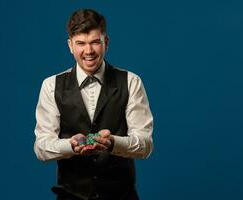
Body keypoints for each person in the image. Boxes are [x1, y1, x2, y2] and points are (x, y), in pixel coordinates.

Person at [34, 8, 154, 200]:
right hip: (71, 195)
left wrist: (113, 143)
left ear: (106, 42)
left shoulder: (131, 82)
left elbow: (145, 145)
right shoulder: (51, 86)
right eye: (80, 43)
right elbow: (41, 148)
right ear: (70, 45)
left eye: (95, 42)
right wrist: (70, 146)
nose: (88, 51)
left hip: (121, 195)